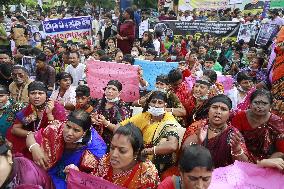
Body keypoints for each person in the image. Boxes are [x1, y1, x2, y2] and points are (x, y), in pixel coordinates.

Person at [96, 91, 181, 173]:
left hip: (155, 160)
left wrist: (147, 151)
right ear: (149, 103)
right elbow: (118, 128)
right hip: (138, 154)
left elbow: (172, 145)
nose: (156, 105)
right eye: (153, 102)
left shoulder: (168, 120)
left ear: (165, 105)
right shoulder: (145, 116)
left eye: (160, 103)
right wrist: (106, 123)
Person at [26, 110, 107, 189]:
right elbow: (31, 136)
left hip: (70, 183)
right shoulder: (58, 129)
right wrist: (34, 147)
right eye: (68, 126)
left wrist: (78, 174)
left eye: (76, 130)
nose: (69, 133)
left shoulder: (96, 148)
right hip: (49, 171)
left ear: (84, 132)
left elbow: (95, 180)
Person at [183, 94, 249, 168]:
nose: (218, 112)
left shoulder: (233, 133)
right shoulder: (198, 126)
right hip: (198, 171)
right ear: (208, 111)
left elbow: (244, 166)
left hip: (224, 176)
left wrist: (236, 149)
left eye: (223, 109)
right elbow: (185, 152)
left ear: (229, 114)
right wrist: (199, 143)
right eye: (214, 107)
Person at [87, 123, 159, 188]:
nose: (114, 155)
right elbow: (92, 184)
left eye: (122, 151)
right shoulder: (105, 161)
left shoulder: (146, 173)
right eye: (112, 148)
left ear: (136, 153)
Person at [6, 81, 66, 158]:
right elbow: (14, 129)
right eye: (33, 93)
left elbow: (59, 133)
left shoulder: (56, 107)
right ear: (28, 95)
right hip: (32, 141)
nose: (36, 96)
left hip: (51, 144)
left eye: (40, 93)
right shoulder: (30, 108)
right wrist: (32, 134)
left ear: (46, 95)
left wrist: (49, 114)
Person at [232, 89, 284, 163]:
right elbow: (235, 143)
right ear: (250, 103)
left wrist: (264, 163)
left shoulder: (276, 122)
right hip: (243, 158)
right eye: (256, 102)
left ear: (271, 105)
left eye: (264, 103)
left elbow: (281, 151)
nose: (260, 106)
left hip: (268, 161)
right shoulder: (240, 117)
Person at [91, 80, 131, 151]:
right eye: (108, 88)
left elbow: (123, 130)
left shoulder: (123, 107)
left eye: (113, 89)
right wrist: (92, 119)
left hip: (111, 144)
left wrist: (106, 123)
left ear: (119, 93)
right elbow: (92, 115)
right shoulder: (100, 102)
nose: (110, 91)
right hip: (94, 140)